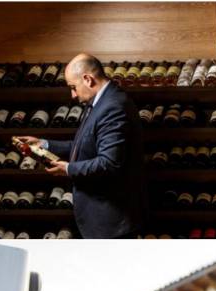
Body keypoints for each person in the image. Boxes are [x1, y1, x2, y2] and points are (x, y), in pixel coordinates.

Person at [18, 53, 145, 238]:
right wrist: (44, 144)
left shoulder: (113, 107)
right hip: (101, 220)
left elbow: (108, 163)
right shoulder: (98, 102)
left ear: (88, 79)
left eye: (73, 87)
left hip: (112, 223)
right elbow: (84, 146)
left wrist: (69, 169)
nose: (73, 94)